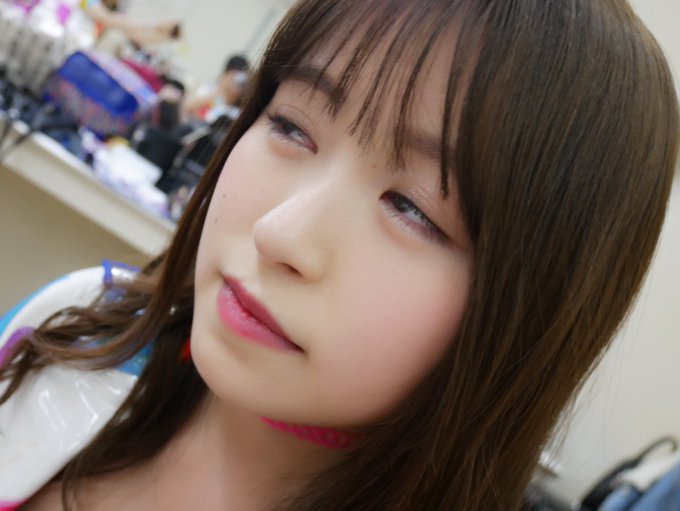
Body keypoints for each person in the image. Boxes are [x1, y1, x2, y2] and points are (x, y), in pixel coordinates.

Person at [1, 0, 678, 509]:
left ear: (530, 317)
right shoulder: (79, 327)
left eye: (413, 209)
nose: (280, 233)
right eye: (291, 125)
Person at [184, 54, 251, 122]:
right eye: (236, 78)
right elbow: (190, 109)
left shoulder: (239, 109)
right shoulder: (210, 92)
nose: (238, 85)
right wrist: (222, 89)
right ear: (226, 75)